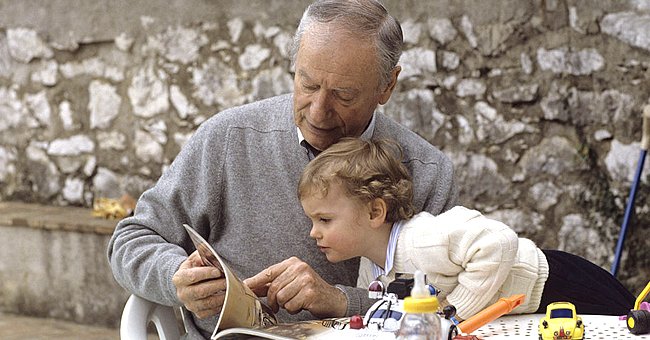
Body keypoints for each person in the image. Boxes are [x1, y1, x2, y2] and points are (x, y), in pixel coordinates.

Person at [107, 1, 458, 338]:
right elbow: (132, 238)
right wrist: (175, 276)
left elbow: (449, 306)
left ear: (388, 86)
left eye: (344, 95)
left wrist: (340, 301)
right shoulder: (228, 138)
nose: (318, 112)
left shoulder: (428, 173)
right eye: (307, 84)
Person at [297, 137, 635, 321]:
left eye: (324, 220)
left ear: (375, 212)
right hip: (531, 305)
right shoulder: (372, 265)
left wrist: (454, 312)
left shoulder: (421, 240)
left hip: (560, 283)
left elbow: (498, 242)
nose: (314, 232)